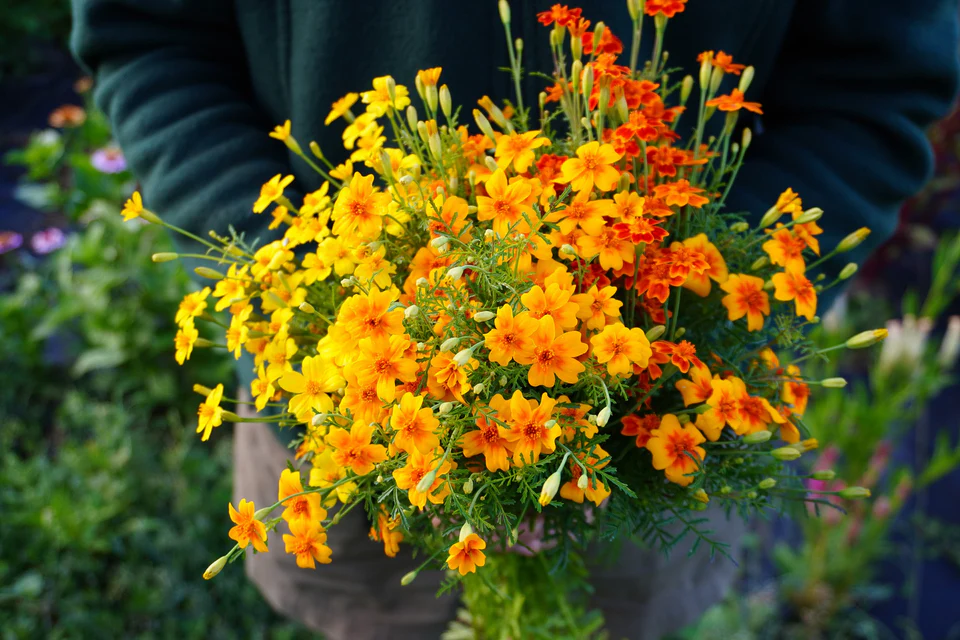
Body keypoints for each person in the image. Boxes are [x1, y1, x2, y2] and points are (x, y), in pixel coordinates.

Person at [70, 1, 960, 638]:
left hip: (671, 411)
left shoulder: (671, 375)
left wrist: (701, 304)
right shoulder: (333, 361)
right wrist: (296, 282)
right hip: (342, 411)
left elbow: (876, 85)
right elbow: (147, 33)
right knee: (376, 614)